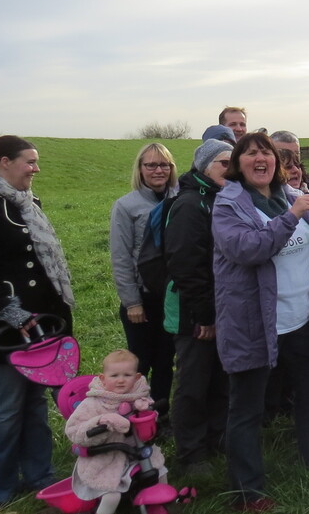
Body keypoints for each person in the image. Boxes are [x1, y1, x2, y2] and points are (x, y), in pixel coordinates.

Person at [212, 132, 309, 510]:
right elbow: (249, 249)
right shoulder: (227, 206)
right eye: (251, 154)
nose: (260, 160)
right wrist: (290, 217)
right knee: (247, 408)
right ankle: (247, 492)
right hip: (255, 324)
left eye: (266, 154)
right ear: (238, 165)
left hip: (300, 319)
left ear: (276, 162)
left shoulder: (291, 196)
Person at [0, 135, 75, 509]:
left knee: (35, 404)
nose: (36, 169)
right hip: (2, 329)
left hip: (40, 326)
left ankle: (39, 475)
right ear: (5, 162)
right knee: (5, 410)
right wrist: (8, 309)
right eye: (30, 162)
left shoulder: (27, 203)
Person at [163, 139, 233, 475]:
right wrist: (204, 315)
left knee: (220, 376)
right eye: (223, 162)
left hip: (221, 307)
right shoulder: (191, 204)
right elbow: (186, 265)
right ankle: (191, 453)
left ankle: (217, 436)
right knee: (193, 381)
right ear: (204, 166)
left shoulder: (220, 197)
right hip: (194, 313)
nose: (229, 169)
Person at [109, 143, 178, 422]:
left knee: (166, 360)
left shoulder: (180, 199)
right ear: (140, 169)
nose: (158, 170)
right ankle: (132, 417)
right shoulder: (126, 206)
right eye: (151, 165)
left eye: (164, 165)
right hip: (143, 297)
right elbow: (121, 257)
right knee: (141, 362)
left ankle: (159, 417)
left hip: (172, 296)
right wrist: (132, 302)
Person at [64, 350, 168, 514]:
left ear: (136, 377)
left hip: (137, 453)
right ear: (103, 379)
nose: (121, 380)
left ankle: (159, 504)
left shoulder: (138, 397)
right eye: (114, 376)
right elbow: (74, 431)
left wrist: (148, 412)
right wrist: (101, 421)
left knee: (161, 473)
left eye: (127, 375)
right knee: (112, 496)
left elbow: (150, 424)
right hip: (105, 459)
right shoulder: (93, 403)